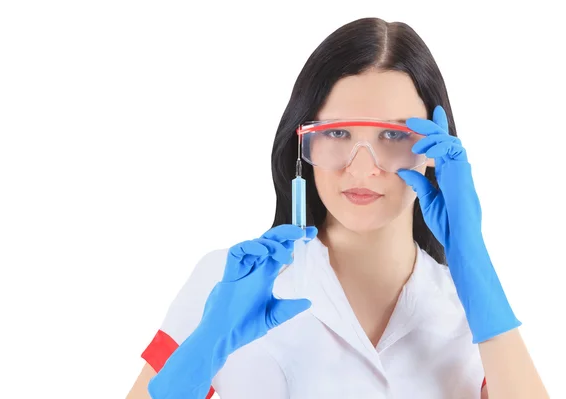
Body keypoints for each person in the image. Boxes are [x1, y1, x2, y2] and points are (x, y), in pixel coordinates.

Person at [126, 17, 549, 399]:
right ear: (303, 142)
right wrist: (204, 348)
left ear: (435, 148)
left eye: (393, 136)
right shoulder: (228, 285)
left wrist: (477, 273)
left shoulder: (467, 312)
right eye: (339, 133)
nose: (362, 168)